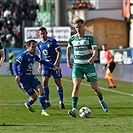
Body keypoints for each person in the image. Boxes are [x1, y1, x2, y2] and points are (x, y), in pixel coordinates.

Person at [66, 18, 108, 117]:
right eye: (76, 27)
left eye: (80, 27)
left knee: (95, 88)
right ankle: (73, 109)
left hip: (88, 65)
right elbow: (68, 48)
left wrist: (93, 57)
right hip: (77, 65)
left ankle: (101, 101)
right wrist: (68, 60)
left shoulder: (89, 38)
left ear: (83, 26)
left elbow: (95, 50)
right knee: (76, 86)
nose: (78, 29)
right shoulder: (72, 38)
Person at [12, 40, 61, 116]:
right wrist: (17, 75)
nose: (35, 48)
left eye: (35, 47)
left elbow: (43, 62)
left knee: (41, 90)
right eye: (33, 47)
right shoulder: (24, 55)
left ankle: (43, 110)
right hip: (23, 80)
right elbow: (14, 64)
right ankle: (27, 104)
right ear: (28, 47)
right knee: (34, 98)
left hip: (31, 77)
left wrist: (54, 66)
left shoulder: (34, 55)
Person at [37, 27, 65, 109]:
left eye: (44, 33)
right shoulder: (39, 44)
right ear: (39, 34)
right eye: (41, 34)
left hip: (54, 65)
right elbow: (41, 54)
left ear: (47, 33)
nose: (42, 35)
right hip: (46, 66)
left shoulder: (52, 41)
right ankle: (47, 101)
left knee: (58, 83)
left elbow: (59, 53)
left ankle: (61, 102)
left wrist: (56, 63)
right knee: (44, 82)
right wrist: (40, 65)